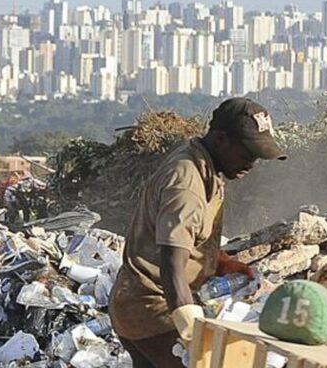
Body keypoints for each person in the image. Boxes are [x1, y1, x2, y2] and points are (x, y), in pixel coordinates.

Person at [109, 98, 286, 368]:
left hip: (135, 305)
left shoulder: (205, 166)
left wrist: (222, 263)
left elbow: (188, 239)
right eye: (247, 153)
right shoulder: (187, 183)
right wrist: (191, 330)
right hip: (153, 311)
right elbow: (171, 263)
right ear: (221, 139)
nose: (252, 163)